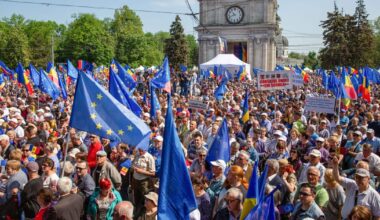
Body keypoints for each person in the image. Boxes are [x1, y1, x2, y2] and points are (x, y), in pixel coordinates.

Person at [332, 155, 380, 219]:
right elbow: (337, 178)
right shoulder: (352, 184)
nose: (358, 180)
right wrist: (335, 165)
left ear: (368, 179)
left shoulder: (374, 195)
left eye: (362, 178)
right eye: (357, 177)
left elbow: (378, 216)